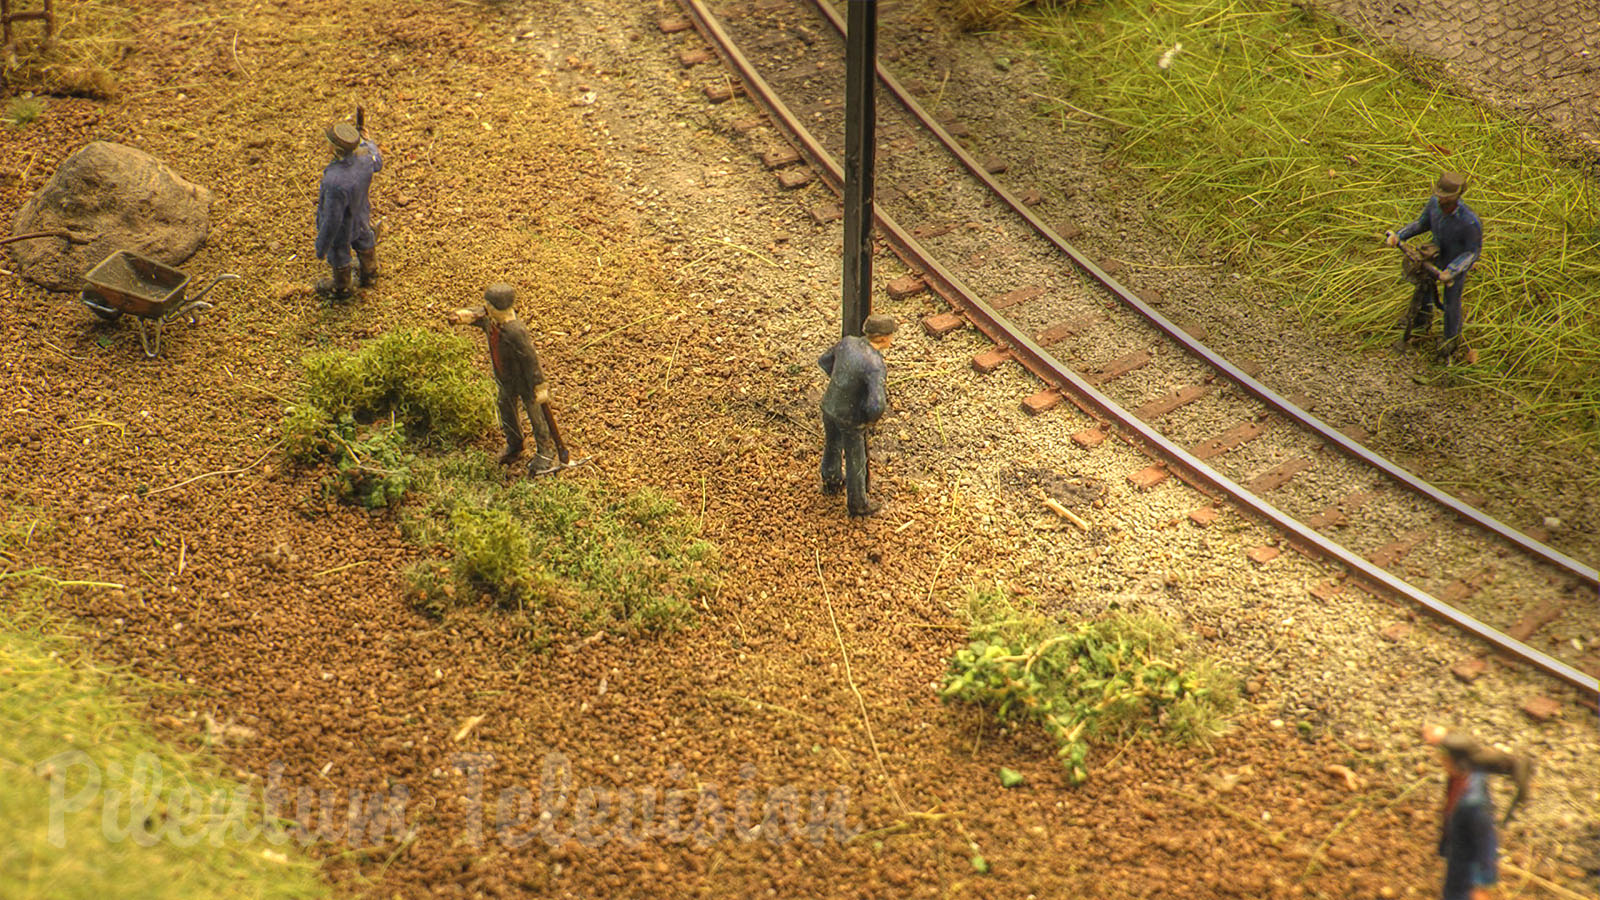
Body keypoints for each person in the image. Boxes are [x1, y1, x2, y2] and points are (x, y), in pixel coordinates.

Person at [448, 283, 560, 475]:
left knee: (536, 415)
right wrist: (461, 316)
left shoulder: (516, 331)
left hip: (525, 383)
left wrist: (539, 385)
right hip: (505, 379)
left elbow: (531, 360)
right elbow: (477, 313)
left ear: (498, 307)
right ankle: (515, 444)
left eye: (488, 305)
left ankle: (545, 452)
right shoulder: (491, 320)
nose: (485, 308)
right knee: (505, 408)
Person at [1421, 724, 1533, 900]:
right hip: (1457, 850)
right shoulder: (1460, 777)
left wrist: (1484, 884)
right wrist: (1440, 736)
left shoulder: (1474, 804)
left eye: (1444, 759)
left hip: (1468, 865)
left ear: (1457, 763)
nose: (1440, 762)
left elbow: (1487, 842)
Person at [1386, 171, 1482, 363]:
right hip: (1435, 256)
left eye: (1445, 197)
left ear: (1456, 196)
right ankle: (1422, 319)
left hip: (1453, 265)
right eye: (1439, 196)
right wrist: (1399, 235)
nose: (1441, 201)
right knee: (1423, 288)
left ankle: (1450, 339)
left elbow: (1472, 252)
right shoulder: (1434, 206)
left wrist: (1452, 271)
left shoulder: (1469, 222)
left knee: (1450, 302)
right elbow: (1421, 224)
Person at [818, 314, 897, 517]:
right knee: (856, 460)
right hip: (851, 418)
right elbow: (876, 403)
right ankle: (858, 504)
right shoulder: (874, 364)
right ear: (882, 338)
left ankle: (831, 481)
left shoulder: (847, 343)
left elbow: (824, 361)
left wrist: (843, 384)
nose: (892, 339)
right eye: (891, 335)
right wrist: (869, 420)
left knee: (832, 445)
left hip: (830, 406)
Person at [314, 121, 383, 300]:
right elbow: (378, 160)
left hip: (343, 227)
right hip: (360, 214)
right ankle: (370, 272)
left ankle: (342, 286)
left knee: (339, 253)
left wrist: (322, 245)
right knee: (365, 239)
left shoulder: (334, 181)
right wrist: (367, 141)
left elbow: (332, 218)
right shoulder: (365, 159)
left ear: (336, 149)